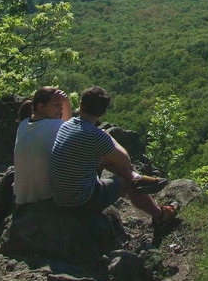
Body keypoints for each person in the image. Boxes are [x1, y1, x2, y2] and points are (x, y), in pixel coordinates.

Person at [49, 86, 177, 230]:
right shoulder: (96, 136)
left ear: (81, 105)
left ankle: (135, 177)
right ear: (103, 113)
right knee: (128, 182)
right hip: (81, 203)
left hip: (59, 199)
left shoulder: (67, 125)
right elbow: (125, 159)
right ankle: (160, 215)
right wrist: (107, 136)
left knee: (102, 159)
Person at [13, 86, 73, 205]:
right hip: (45, 198)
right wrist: (67, 104)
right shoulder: (55, 125)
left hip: (22, 198)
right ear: (41, 106)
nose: (60, 109)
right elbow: (71, 130)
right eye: (56, 105)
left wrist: (63, 103)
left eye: (61, 105)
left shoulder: (23, 124)